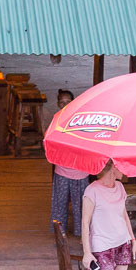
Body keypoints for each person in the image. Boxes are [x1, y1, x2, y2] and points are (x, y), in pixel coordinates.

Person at [48, 89, 89, 236]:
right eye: (62, 102)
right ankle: (59, 233)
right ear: (58, 104)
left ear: (74, 102)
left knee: (81, 205)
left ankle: (81, 232)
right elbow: (50, 142)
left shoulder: (80, 120)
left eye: (68, 102)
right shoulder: (56, 119)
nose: (65, 105)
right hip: (62, 170)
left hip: (81, 170)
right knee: (60, 204)